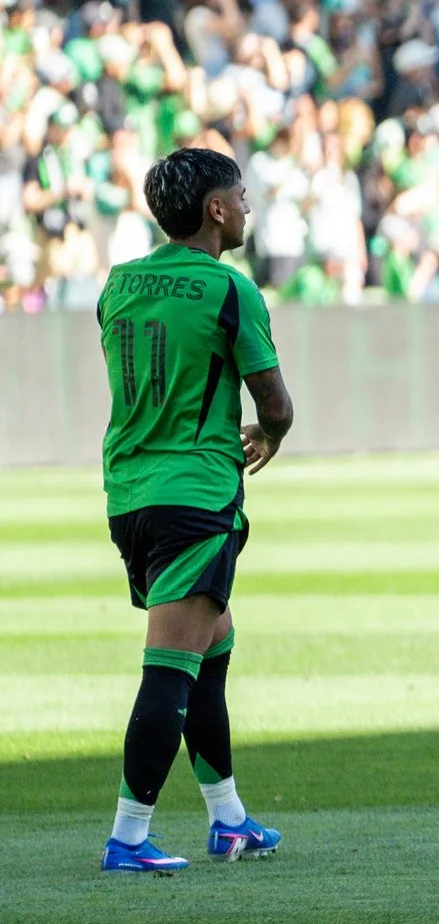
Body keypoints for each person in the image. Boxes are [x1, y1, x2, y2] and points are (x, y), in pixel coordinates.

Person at [96, 147, 293, 873]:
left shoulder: (118, 285)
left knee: (213, 647)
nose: (246, 206)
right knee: (170, 668)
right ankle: (128, 835)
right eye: (239, 195)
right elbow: (274, 402)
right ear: (215, 209)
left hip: (130, 493)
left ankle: (229, 821)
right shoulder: (228, 290)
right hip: (196, 493)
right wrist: (269, 434)